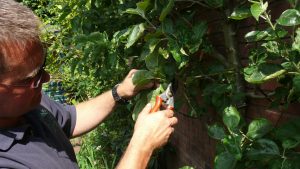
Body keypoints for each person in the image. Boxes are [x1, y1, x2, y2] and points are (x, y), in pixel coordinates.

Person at [0, 0, 178, 168]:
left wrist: (120, 91)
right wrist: (142, 146)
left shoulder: (28, 103)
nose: (46, 78)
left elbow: (71, 119)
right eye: (31, 78)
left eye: (42, 66)